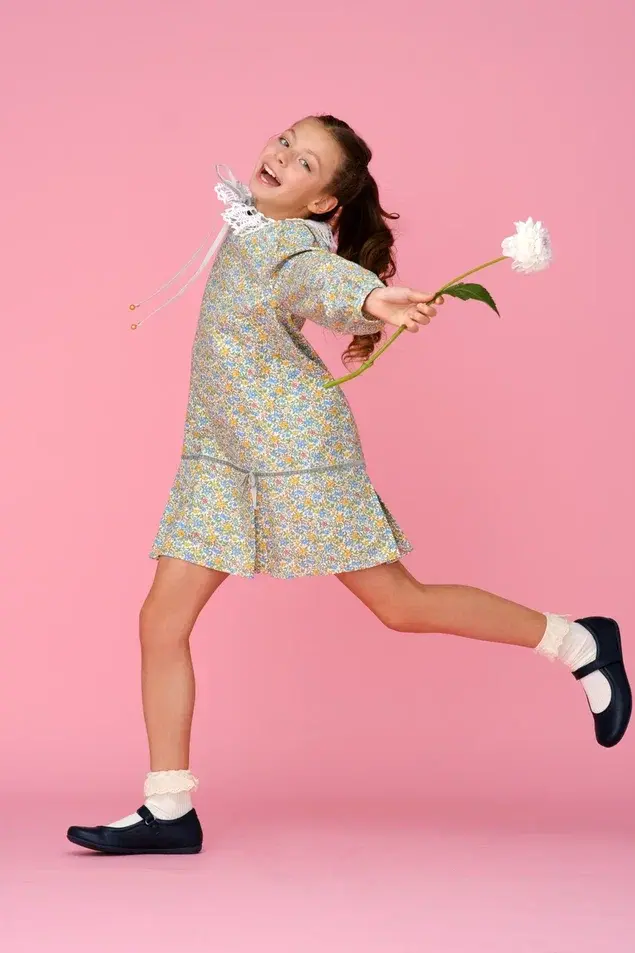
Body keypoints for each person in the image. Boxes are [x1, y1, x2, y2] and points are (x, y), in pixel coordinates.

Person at [67, 115, 631, 856]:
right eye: (284, 141)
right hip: (220, 457)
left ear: (321, 203)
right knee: (160, 621)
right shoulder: (253, 225)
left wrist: (374, 300)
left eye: (304, 163)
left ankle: (578, 639)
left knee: (400, 605)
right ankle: (168, 806)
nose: (280, 157)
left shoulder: (289, 245)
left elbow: (319, 278)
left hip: (296, 452)